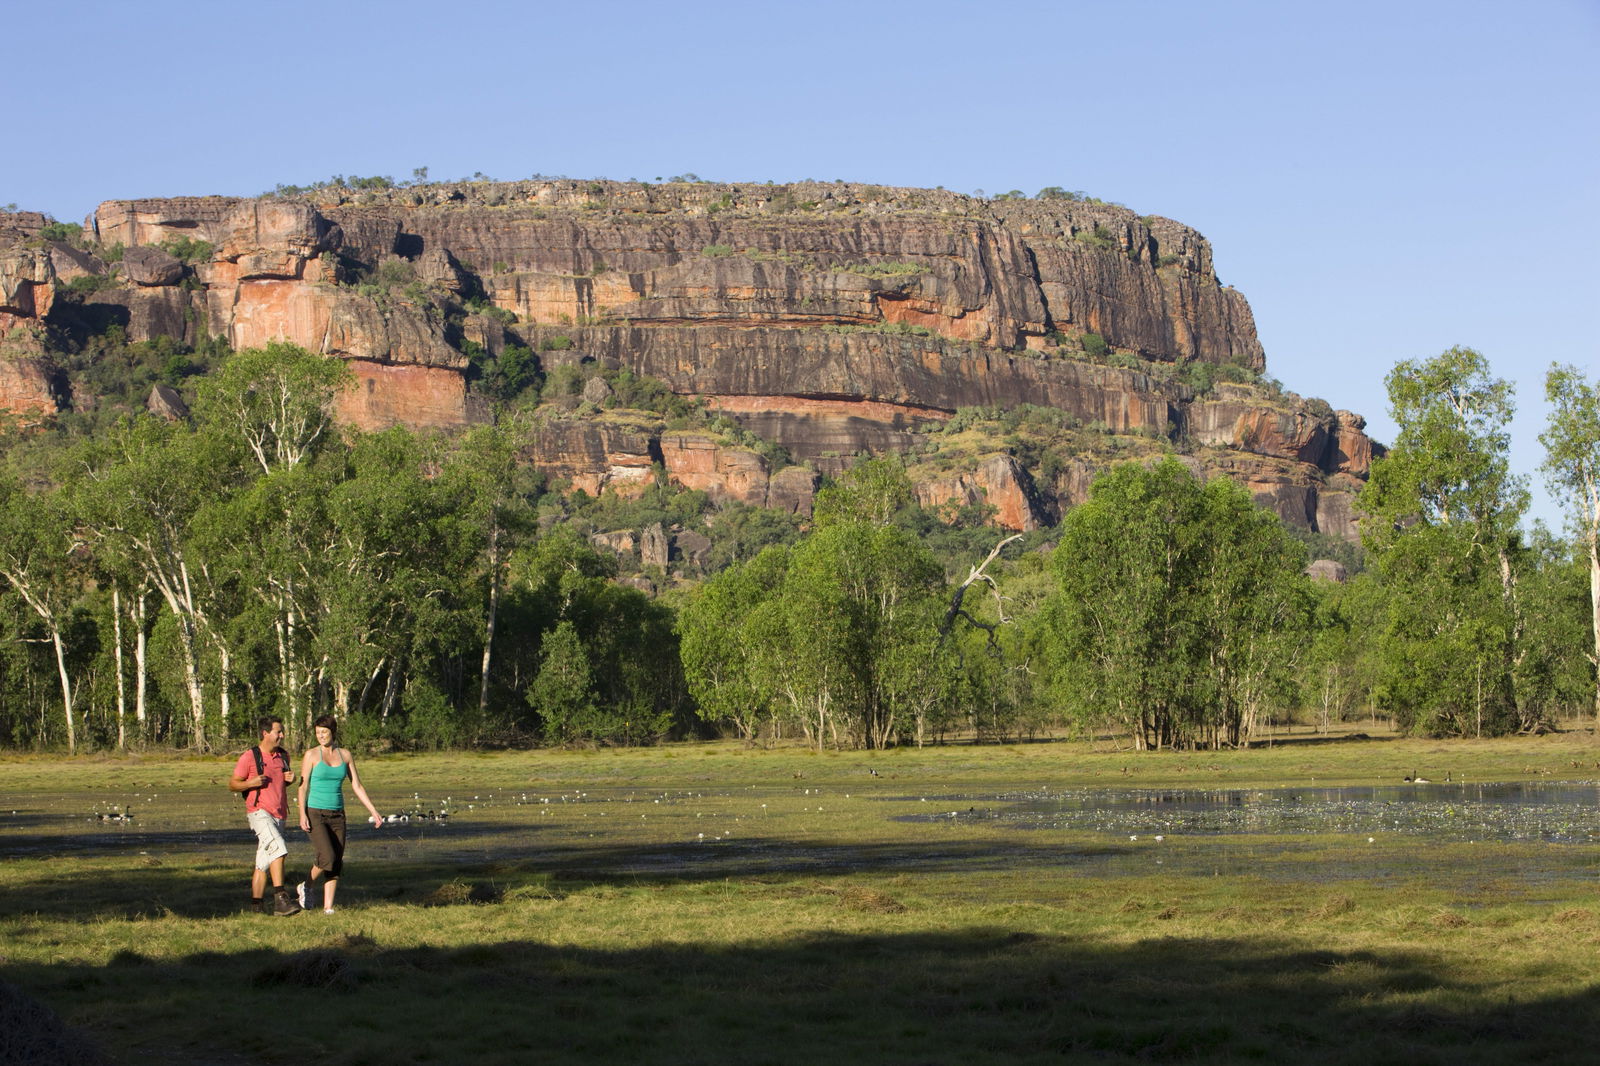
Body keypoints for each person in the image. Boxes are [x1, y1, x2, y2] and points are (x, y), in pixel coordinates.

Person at [296, 715, 383, 914]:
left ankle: (328, 907)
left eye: (324, 732)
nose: (321, 736)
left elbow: (357, 785)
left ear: (333, 732)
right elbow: (302, 787)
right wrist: (302, 814)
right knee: (327, 855)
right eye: (317, 732)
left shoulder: (345, 755)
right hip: (316, 812)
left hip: (338, 814)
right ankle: (306, 886)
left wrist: (374, 811)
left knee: (336, 861)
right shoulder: (311, 755)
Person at [229, 715, 300, 916]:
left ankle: (256, 906)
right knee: (279, 850)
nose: (282, 735)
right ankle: (281, 899)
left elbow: (280, 782)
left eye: (282, 731)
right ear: (265, 733)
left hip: (279, 815)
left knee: (263, 862)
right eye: (278, 732)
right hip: (259, 813)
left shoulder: (283, 756)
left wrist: (290, 780)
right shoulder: (249, 757)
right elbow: (233, 784)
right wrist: (249, 784)